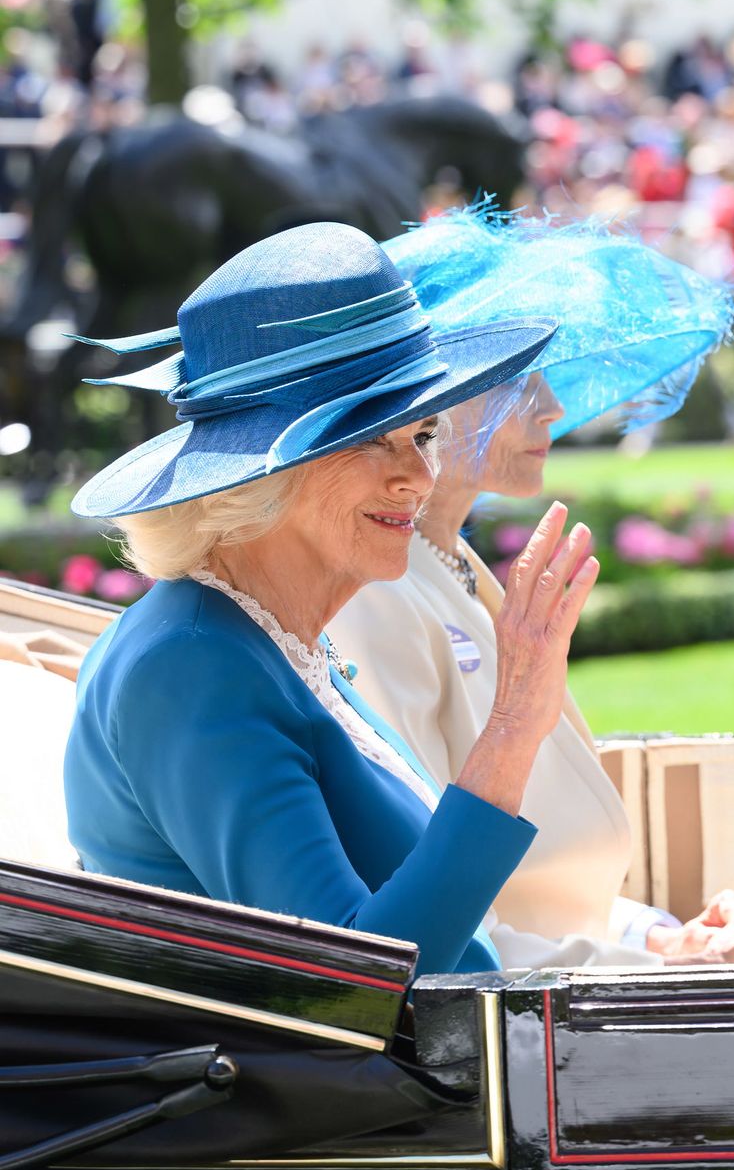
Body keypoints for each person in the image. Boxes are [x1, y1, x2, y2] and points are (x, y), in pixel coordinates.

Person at [62, 222, 591, 976]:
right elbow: (353, 977)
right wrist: (511, 730)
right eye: (374, 438)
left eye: (424, 433)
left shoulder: (270, 635)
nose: (418, 476)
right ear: (261, 474)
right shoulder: (192, 664)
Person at [327, 207, 734, 968]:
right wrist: (663, 963)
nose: (553, 406)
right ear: (423, 400)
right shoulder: (375, 593)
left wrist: (663, 932)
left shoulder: (445, 562)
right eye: (513, 378)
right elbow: (435, 917)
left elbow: (542, 885)